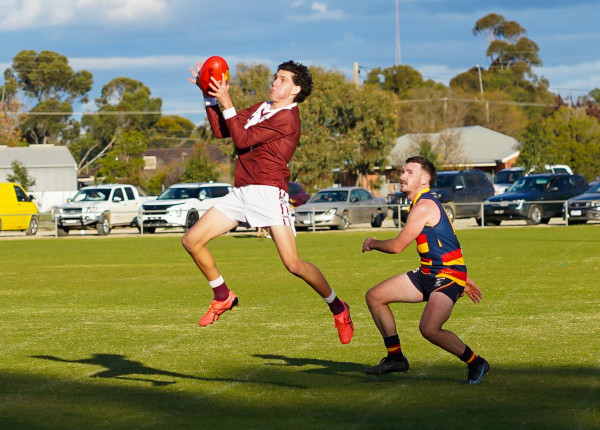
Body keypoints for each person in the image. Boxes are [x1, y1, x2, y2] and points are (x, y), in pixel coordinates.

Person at [183, 60, 354, 344]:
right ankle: (223, 295)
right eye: (276, 77)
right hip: (242, 191)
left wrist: (227, 101)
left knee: (294, 265)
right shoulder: (261, 107)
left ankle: (339, 308)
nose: (275, 82)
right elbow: (222, 131)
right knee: (191, 241)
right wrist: (209, 97)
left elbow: (242, 140)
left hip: (269, 193)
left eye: (283, 80)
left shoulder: (288, 118)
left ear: (296, 90)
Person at [361, 156, 489, 384]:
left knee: (429, 329)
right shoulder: (419, 205)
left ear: (424, 180)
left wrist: (373, 243)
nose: (402, 176)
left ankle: (476, 362)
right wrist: (465, 275)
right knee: (375, 297)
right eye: (403, 171)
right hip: (429, 274)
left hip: (447, 276)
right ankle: (395, 358)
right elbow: (447, 241)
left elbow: (397, 246)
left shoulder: (424, 207)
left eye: (409, 172)